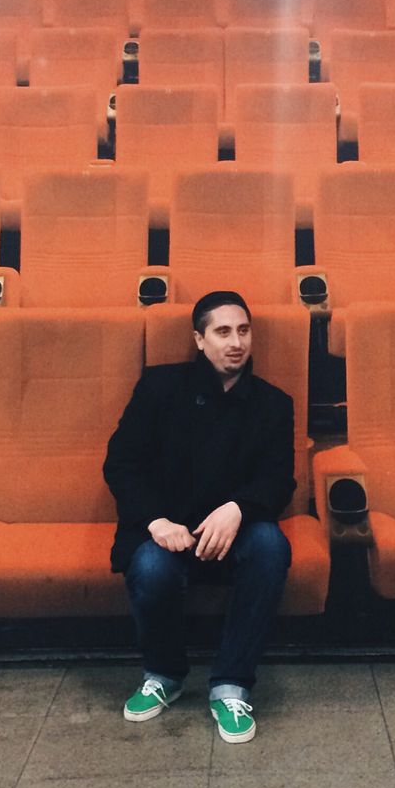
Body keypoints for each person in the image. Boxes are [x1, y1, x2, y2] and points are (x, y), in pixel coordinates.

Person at [103, 290, 295, 743]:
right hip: (166, 527)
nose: (236, 342)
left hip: (234, 530)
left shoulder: (272, 402)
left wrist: (238, 509)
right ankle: (164, 674)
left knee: (271, 546)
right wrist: (155, 521)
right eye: (223, 331)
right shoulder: (159, 387)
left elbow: (278, 480)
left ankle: (232, 683)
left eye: (244, 331)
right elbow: (121, 463)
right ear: (199, 339)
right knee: (150, 567)